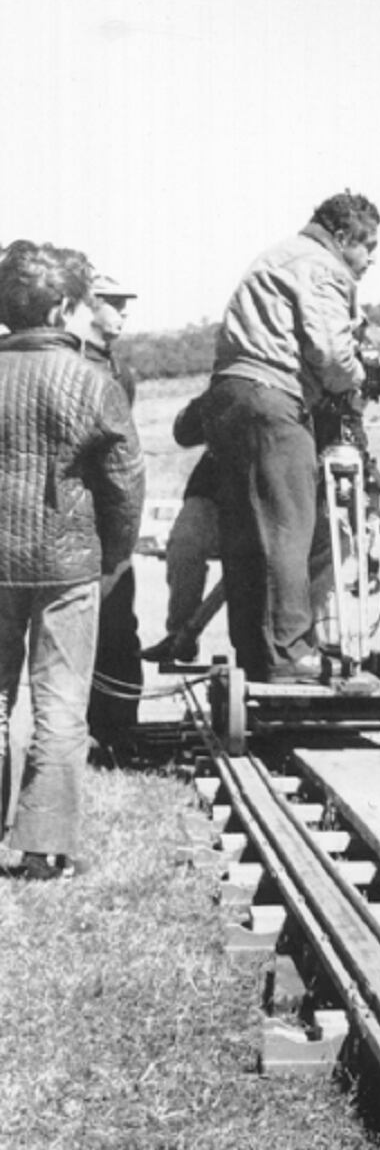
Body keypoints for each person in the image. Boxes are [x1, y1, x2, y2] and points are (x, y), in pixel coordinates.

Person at [0, 242, 145, 879]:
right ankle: (44, 849)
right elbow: (125, 483)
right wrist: (111, 555)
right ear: (63, 309)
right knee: (60, 704)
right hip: (67, 563)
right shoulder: (94, 382)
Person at [201, 191, 377, 682]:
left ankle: (257, 656)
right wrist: (361, 375)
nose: (371, 260)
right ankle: (292, 653)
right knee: (290, 531)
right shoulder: (324, 266)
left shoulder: (277, 256)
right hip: (274, 400)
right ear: (343, 238)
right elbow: (331, 356)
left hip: (231, 398)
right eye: (368, 247)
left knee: (245, 536)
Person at [80, 271, 145, 757]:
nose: (123, 312)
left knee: (118, 626)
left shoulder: (119, 371)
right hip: (82, 520)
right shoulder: (76, 365)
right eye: (114, 302)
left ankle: (118, 731)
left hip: (109, 522)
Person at [148, 391, 222, 667]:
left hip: (275, 496)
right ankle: (180, 634)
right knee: (185, 543)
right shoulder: (228, 385)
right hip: (216, 493)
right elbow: (185, 432)